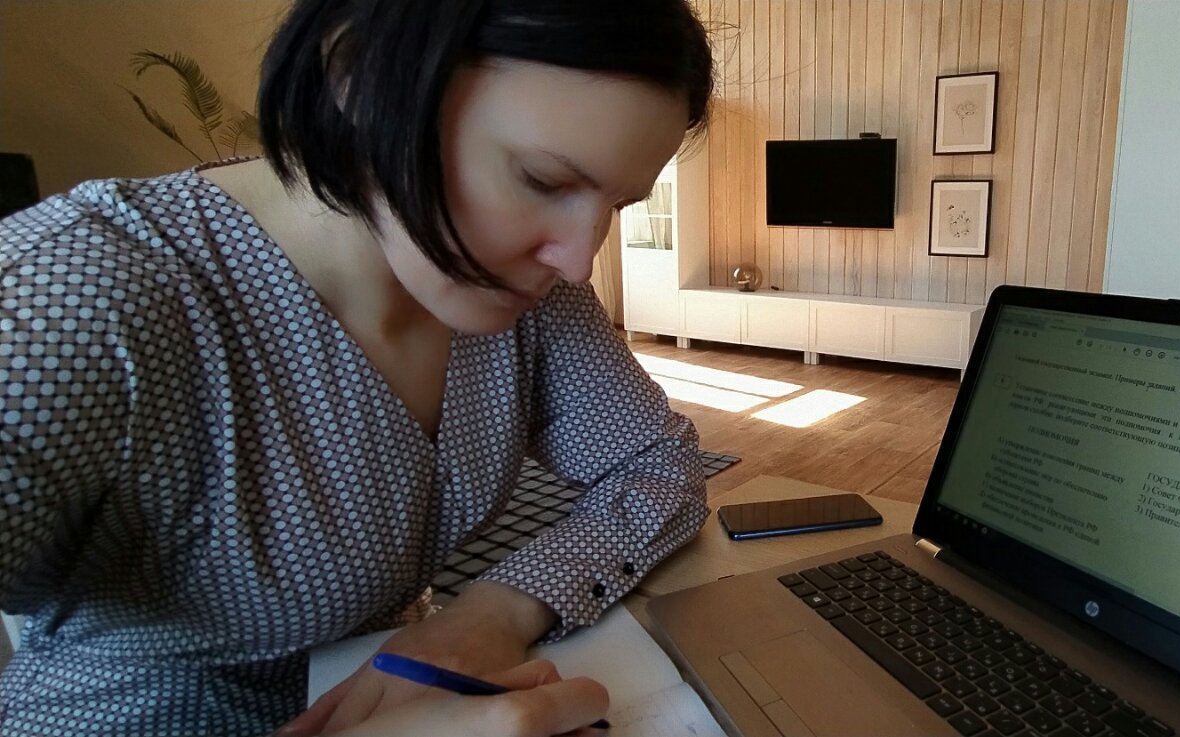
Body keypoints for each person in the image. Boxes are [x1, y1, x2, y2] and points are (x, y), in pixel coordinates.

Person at [0, 1, 714, 735]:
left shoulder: (528, 298)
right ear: (360, 76)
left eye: (617, 204)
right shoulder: (61, 301)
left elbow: (657, 462)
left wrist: (496, 610)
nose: (578, 258)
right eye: (541, 179)